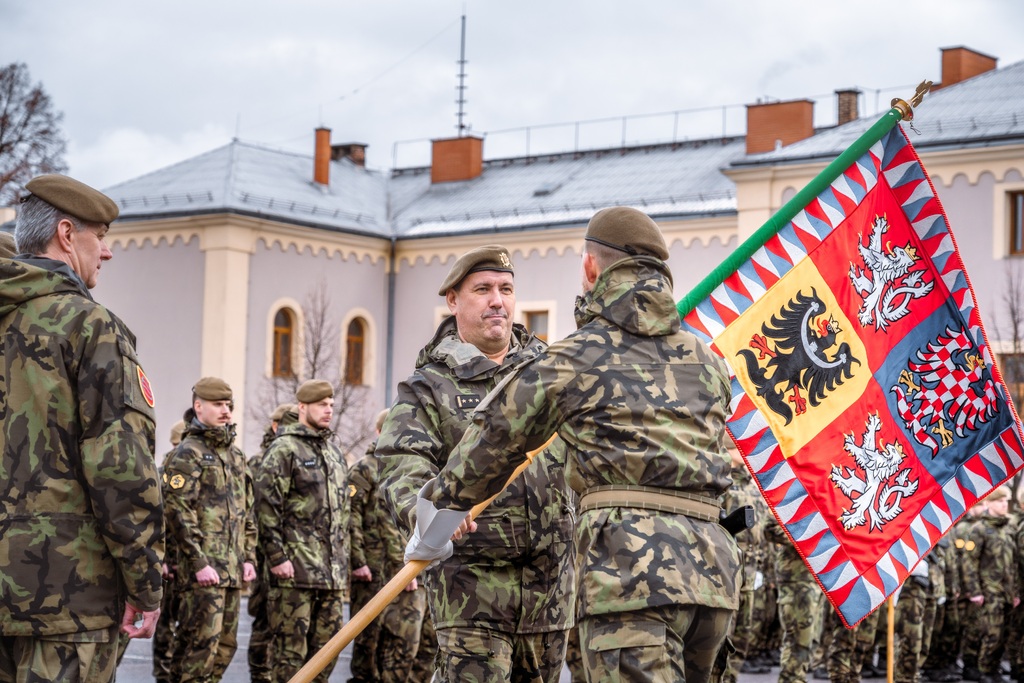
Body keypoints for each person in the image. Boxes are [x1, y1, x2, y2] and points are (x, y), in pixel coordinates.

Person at [408, 208, 741, 683]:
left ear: (591, 268)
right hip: (713, 580)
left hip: (632, 575)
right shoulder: (708, 361)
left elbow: (496, 438)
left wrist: (435, 517)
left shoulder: (577, 356)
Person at [377, 244, 577, 682]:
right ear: (453, 300)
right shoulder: (429, 386)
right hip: (472, 593)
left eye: (506, 289)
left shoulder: (550, 375)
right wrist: (428, 507)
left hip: (550, 592)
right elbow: (400, 463)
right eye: (482, 289)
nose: (497, 301)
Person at [0, 174, 164, 681]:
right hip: (67, 598)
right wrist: (145, 582)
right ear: (67, 235)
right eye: (101, 236)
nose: (108, 252)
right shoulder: (89, 327)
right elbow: (120, 468)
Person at [162, 377, 257, 682]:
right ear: (198, 406)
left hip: (230, 571)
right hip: (202, 574)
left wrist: (248, 558)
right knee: (197, 649)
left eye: (228, 405)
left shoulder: (236, 457)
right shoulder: (187, 454)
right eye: (218, 405)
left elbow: (247, 512)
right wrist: (198, 562)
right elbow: (177, 511)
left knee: (225, 647)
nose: (226, 411)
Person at [255, 380, 350, 683]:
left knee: (328, 652)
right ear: (302, 407)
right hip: (293, 573)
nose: (328, 410)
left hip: (331, 575)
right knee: (290, 658)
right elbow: (266, 507)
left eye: (331, 405)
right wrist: (277, 556)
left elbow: (342, 514)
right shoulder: (284, 449)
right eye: (322, 404)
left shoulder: (334, 454)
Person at [247, 402, 295, 683]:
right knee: (265, 621)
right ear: (276, 426)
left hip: (292, 554)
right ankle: (261, 676)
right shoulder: (261, 462)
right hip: (267, 555)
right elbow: (257, 513)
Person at [962, 487, 1019, 683]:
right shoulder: (979, 529)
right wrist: (975, 591)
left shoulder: (1009, 528)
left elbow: (1013, 564)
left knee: (1005, 633)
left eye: (1006, 501)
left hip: (1007, 592)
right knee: (991, 633)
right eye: (1000, 501)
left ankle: (993, 668)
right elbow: (969, 562)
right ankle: (985, 670)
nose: (1004, 504)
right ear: (989, 504)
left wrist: (1016, 591)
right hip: (989, 591)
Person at [152, 419, 187, 683]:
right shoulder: (164, 472)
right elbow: (159, 520)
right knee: (164, 626)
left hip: (185, 563)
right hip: (168, 564)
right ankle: (163, 676)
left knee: (184, 627)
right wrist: (161, 559)